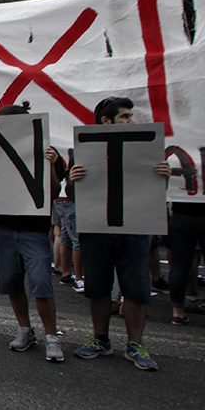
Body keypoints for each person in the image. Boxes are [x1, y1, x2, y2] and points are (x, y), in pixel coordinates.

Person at [69, 96, 171, 370]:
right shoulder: (82, 150)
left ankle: (135, 344)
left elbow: (152, 193)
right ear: (106, 120)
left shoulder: (144, 148)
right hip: (97, 230)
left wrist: (164, 176)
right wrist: (72, 179)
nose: (131, 120)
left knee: (136, 291)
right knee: (98, 289)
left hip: (133, 230)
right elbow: (70, 195)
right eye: (125, 116)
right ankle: (100, 339)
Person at [0, 103, 64, 362]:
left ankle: (51, 336)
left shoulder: (46, 150)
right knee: (11, 282)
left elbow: (52, 193)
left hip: (34, 230)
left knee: (41, 282)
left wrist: (50, 165)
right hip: (4, 228)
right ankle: (25, 329)